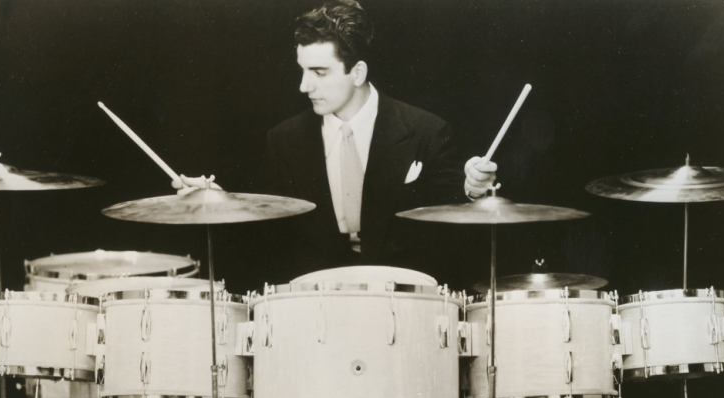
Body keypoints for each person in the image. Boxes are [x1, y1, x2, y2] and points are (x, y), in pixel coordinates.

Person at [177, 0, 496, 283]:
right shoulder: (284, 140)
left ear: (357, 73)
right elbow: (266, 229)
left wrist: (471, 188)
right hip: (315, 302)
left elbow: (452, 219)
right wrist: (222, 202)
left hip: (404, 300)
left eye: (319, 72)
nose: (304, 86)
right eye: (302, 70)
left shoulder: (426, 131)